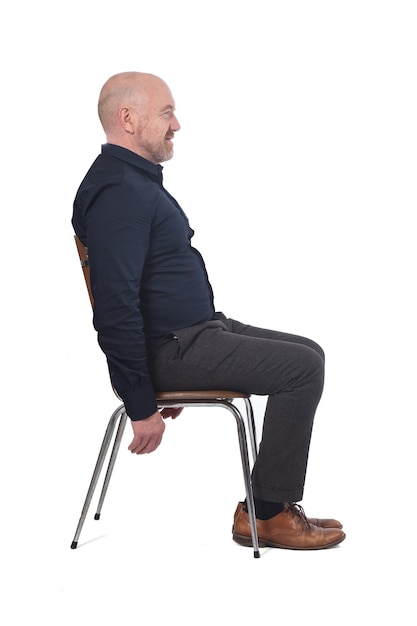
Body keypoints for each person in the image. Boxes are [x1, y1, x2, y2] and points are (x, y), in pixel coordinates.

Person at [72, 71, 345, 550]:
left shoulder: (131, 183)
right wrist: (141, 400)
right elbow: (114, 308)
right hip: (174, 346)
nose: (177, 124)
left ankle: (268, 505)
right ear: (128, 118)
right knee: (300, 369)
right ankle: (266, 513)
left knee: (309, 352)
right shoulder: (120, 193)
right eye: (166, 112)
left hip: (191, 334)